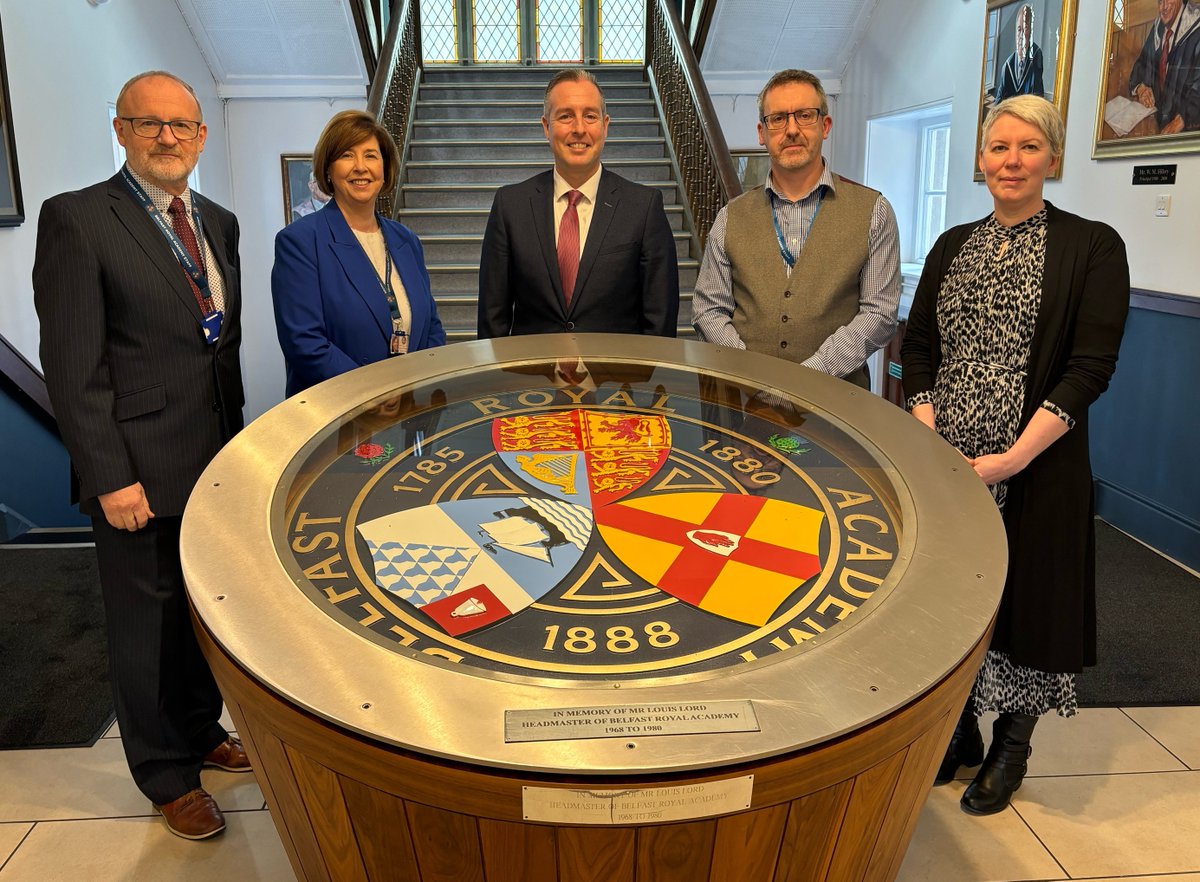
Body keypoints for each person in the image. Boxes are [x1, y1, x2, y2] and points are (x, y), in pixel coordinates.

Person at [33, 70, 251, 841]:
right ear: (121, 130)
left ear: (198, 137)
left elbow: (216, 344)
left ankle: (200, 731)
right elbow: (70, 364)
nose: (169, 138)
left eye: (182, 127)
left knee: (198, 618)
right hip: (137, 471)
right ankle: (164, 775)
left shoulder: (217, 222)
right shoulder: (79, 219)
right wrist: (109, 476)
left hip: (213, 463)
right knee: (142, 632)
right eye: (150, 123)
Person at [901, 95, 1130, 815]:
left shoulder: (1091, 246)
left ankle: (1012, 745)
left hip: (1035, 465)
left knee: (1029, 601)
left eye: (1029, 147)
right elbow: (918, 349)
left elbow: (1089, 367)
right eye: (999, 147)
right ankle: (961, 729)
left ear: (1053, 159)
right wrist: (931, 430)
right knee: (952, 602)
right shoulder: (950, 245)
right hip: (948, 465)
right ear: (980, 158)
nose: (1011, 160)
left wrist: (1011, 459)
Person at [691, 69, 900, 390]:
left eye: (804, 116)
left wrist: (809, 375)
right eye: (777, 119)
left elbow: (879, 314)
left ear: (825, 125)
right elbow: (708, 309)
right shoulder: (730, 218)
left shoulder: (874, 212)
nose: (791, 130)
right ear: (762, 132)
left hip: (838, 403)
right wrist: (750, 374)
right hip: (743, 401)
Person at [477, 69, 679, 338]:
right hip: (531, 377)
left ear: (605, 126)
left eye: (590, 116)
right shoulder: (510, 206)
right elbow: (493, 320)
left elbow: (660, 322)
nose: (579, 129)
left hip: (617, 377)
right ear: (546, 127)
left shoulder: (644, 207)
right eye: (566, 116)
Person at [272, 110, 445, 397]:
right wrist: (376, 392)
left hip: (408, 406)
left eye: (371, 155)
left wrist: (420, 385)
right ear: (328, 168)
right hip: (340, 411)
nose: (360, 167)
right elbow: (305, 343)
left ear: (385, 167)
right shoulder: (300, 242)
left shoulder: (407, 241)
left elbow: (432, 328)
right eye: (347, 155)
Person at [1129, 0, 1200, 134]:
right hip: (1156, 123)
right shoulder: (1159, 28)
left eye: (1168, 0)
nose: (1164, 7)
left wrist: (1182, 119)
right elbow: (1141, 64)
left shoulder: (1196, 29)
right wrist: (1141, 88)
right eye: (1160, 2)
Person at [995, 4, 1045, 102]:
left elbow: (1037, 97)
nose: (1021, 35)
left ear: (1030, 31)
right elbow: (999, 100)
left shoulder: (1036, 55)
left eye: (1025, 28)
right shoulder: (1008, 65)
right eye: (1019, 29)